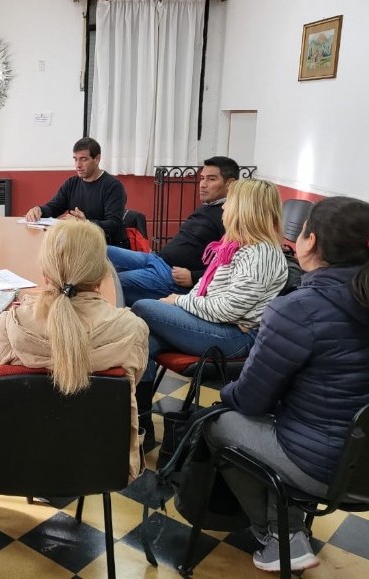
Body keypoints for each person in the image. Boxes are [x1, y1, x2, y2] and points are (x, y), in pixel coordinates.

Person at [205, 196, 369, 572]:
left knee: (217, 424)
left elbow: (250, 401)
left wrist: (225, 394)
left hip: (326, 466)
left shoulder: (297, 310)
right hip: (360, 460)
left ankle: (276, 537)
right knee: (291, 425)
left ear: (308, 242)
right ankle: (290, 530)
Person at [0, 220, 149, 509]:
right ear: (102, 275)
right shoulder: (132, 330)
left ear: (45, 273)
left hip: (8, 459)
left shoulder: (11, 324)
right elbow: (129, 385)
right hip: (98, 462)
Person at [131, 178, 288, 440]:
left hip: (235, 338)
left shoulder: (261, 253)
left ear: (245, 209)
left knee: (141, 307)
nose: (224, 209)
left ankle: (140, 424)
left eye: (230, 204)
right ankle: (141, 427)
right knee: (141, 340)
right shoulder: (234, 245)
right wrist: (186, 302)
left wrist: (178, 302)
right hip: (219, 325)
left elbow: (226, 310)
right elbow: (204, 289)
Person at [108, 156, 239, 305]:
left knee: (109, 283)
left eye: (211, 179)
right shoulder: (209, 205)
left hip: (170, 276)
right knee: (100, 250)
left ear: (230, 184)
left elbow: (232, 266)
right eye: (202, 178)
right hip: (156, 259)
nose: (202, 184)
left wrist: (194, 277)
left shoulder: (231, 217)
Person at [25, 137, 128, 248]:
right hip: (80, 245)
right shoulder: (71, 183)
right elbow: (54, 207)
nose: (78, 165)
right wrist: (39, 210)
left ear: (97, 159)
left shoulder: (113, 186)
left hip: (108, 246)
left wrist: (85, 223)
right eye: (75, 159)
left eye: (83, 159)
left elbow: (114, 225)